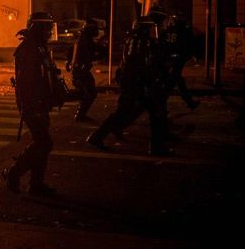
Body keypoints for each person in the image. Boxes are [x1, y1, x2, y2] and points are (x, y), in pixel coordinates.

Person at [86, 16, 173, 157]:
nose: (153, 31)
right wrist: (149, 81)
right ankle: (156, 147)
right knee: (154, 112)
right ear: (145, 29)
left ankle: (98, 136)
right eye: (151, 28)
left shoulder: (136, 41)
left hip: (133, 83)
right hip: (136, 84)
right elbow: (140, 65)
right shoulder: (141, 43)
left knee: (129, 111)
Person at [2, 11, 57, 196]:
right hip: (32, 104)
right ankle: (13, 173)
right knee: (44, 143)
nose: (49, 32)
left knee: (41, 143)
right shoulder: (28, 50)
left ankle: (36, 184)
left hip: (40, 103)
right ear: (38, 28)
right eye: (47, 28)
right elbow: (26, 83)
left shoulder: (38, 47)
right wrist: (32, 106)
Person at [66, 19, 105, 122]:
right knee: (90, 93)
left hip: (80, 70)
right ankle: (80, 115)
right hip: (81, 71)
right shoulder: (86, 41)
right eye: (95, 29)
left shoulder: (83, 39)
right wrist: (102, 53)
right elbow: (89, 56)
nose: (97, 31)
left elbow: (71, 52)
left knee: (87, 92)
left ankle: (80, 114)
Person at [163, 12, 199, 110]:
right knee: (173, 81)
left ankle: (189, 102)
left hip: (169, 58)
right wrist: (189, 56)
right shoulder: (184, 30)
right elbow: (190, 44)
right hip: (178, 58)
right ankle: (160, 106)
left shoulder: (169, 29)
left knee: (178, 79)